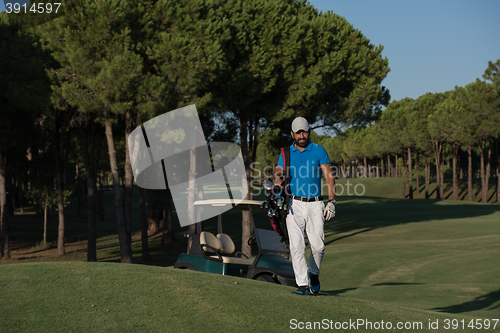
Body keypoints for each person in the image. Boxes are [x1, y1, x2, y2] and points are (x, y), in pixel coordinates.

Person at [274, 116, 336, 295]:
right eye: (298, 132)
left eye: (305, 131)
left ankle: (313, 274)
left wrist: (331, 201)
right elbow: (278, 173)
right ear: (292, 133)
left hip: (315, 204)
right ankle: (302, 285)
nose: (302, 135)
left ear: (309, 131)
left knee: (318, 247)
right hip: (294, 204)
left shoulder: (318, 150)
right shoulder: (285, 153)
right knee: (297, 246)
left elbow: (329, 177)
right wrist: (277, 185)